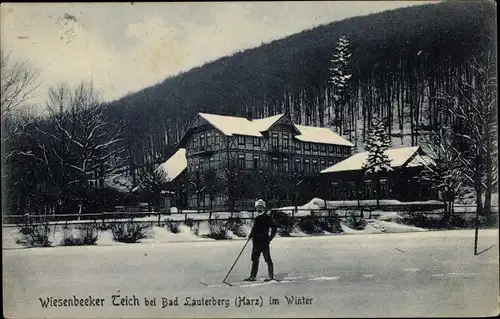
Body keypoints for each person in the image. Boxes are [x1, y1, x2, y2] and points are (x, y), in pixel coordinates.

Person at [244, 199, 277, 282]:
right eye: (257, 207)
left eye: (260, 207)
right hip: (256, 242)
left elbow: (274, 227)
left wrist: (270, 238)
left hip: (264, 241)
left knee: (267, 259)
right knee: (255, 259)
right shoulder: (257, 218)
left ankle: (271, 277)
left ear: (264, 208)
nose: (258, 209)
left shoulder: (267, 217)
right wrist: (251, 235)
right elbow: (255, 228)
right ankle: (252, 277)